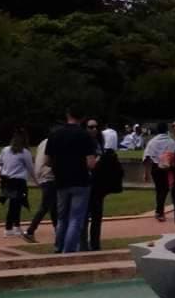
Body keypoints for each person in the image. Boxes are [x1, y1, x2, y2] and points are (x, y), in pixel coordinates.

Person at [47, 107, 98, 253]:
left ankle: (58, 246)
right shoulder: (85, 136)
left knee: (62, 217)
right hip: (81, 180)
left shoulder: (55, 134)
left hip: (61, 180)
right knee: (76, 218)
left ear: (67, 115)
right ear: (82, 118)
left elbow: (48, 161)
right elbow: (91, 163)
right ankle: (68, 251)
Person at [83, 118, 125, 251]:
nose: (94, 129)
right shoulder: (83, 142)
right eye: (90, 127)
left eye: (96, 127)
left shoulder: (99, 143)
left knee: (96, 216)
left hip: (97, 185)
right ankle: (83, 244)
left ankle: (95, 244)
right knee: (83, 217)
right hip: (85, 183)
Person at [0, 129, 34, 237]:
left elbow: (0, 162)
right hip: (18, 181)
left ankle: (15, 227)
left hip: (6, 180)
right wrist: (37, 180)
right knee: (16, 204)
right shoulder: (25, 152)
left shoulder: (5, 150)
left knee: (15, 204)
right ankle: (10, 228)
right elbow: (30, 168)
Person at [23, 136, 57, 243]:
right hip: (49, 176)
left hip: (42, 176)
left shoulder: (43, 142)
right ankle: (30, 231)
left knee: (53, 206)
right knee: (46, 206)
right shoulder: (54, 141)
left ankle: (59, 231)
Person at [143, 122, 175, 221]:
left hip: (155, 167)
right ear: (167, 130)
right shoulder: (171, 142)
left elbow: (146, 157)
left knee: (159, 189)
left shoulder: (152, 142)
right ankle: (159, 211)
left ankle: (159, 210)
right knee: (164, 189)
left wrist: (146, 172)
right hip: (166, 168)